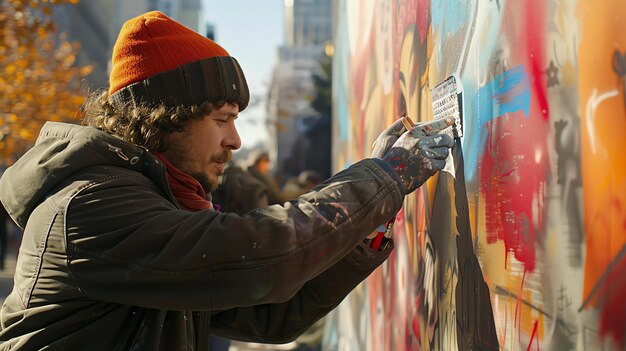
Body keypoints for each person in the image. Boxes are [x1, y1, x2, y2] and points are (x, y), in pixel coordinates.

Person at [0, 11, 454, 350]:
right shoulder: (90, 207)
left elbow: (271, 313)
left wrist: (371, 221)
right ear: (165, 119)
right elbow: (263, 254)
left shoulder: (151, 199)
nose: (236, 140)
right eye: (222, 119)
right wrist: (383, 178)